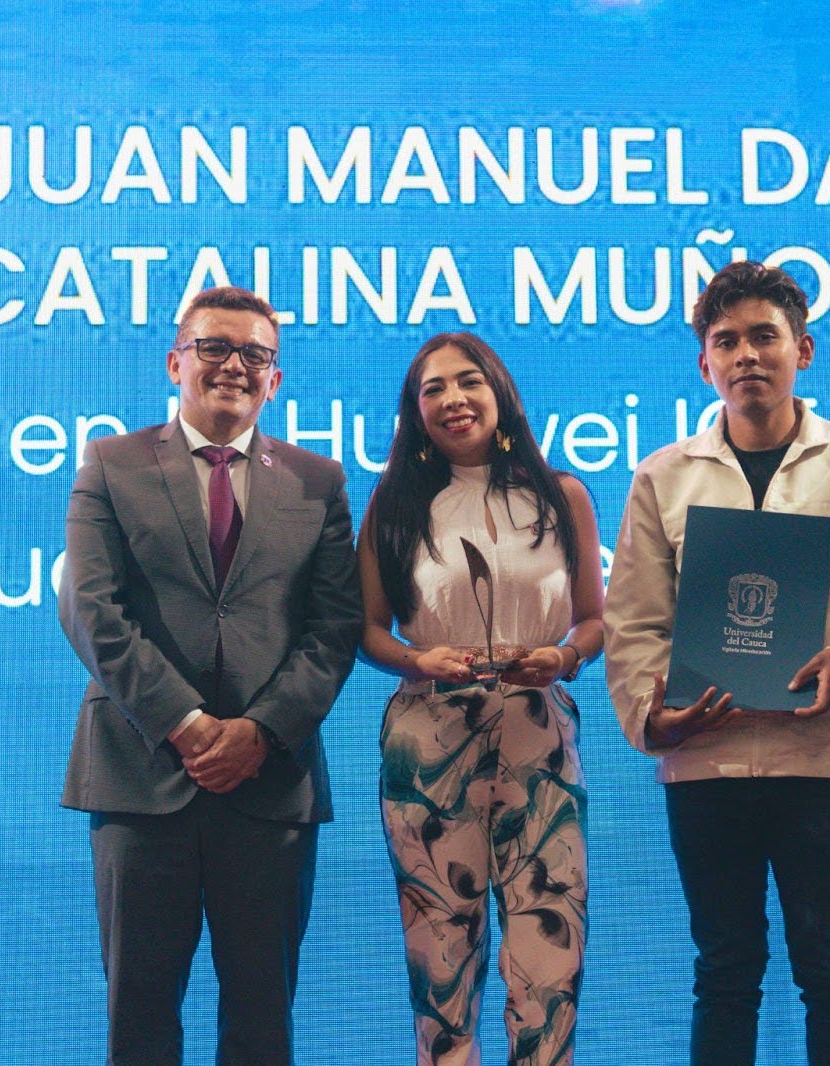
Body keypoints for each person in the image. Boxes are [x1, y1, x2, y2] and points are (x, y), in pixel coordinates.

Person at [604, 261, 830, 1065]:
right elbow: (632, 618)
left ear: (803, 349)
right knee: (726, 971)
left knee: (829, 967)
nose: (746, 356)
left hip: (821, 754)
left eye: (764, 337)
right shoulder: (663, 476)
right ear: (705, 364)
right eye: (725, 341)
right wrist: (649, 714)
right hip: (706, 761)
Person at [58, 286, 363, 1065]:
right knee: (140, 1018)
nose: (234, 366)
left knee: (263, 1022)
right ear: (175, 362)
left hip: (270, 786)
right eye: (215, 348)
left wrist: (260, 732)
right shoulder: (111, 463)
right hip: (141, 778)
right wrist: (187, 724)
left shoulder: (317, 481)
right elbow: (92, 609)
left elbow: (334, 630)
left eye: (255, 354)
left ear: (275, 378)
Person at [358, 332, 602, 1066]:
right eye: (433, 389)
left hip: (539, 736)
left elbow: (595, 619)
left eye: (468, 383)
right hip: (429, 741)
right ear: (415, 412)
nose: (453, 400)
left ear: (500, 395)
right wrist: (417, 657)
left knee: (549, 954)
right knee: (441, 958)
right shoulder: (394, 501)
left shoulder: (563, 496)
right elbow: (367, 629)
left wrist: (561, 655)